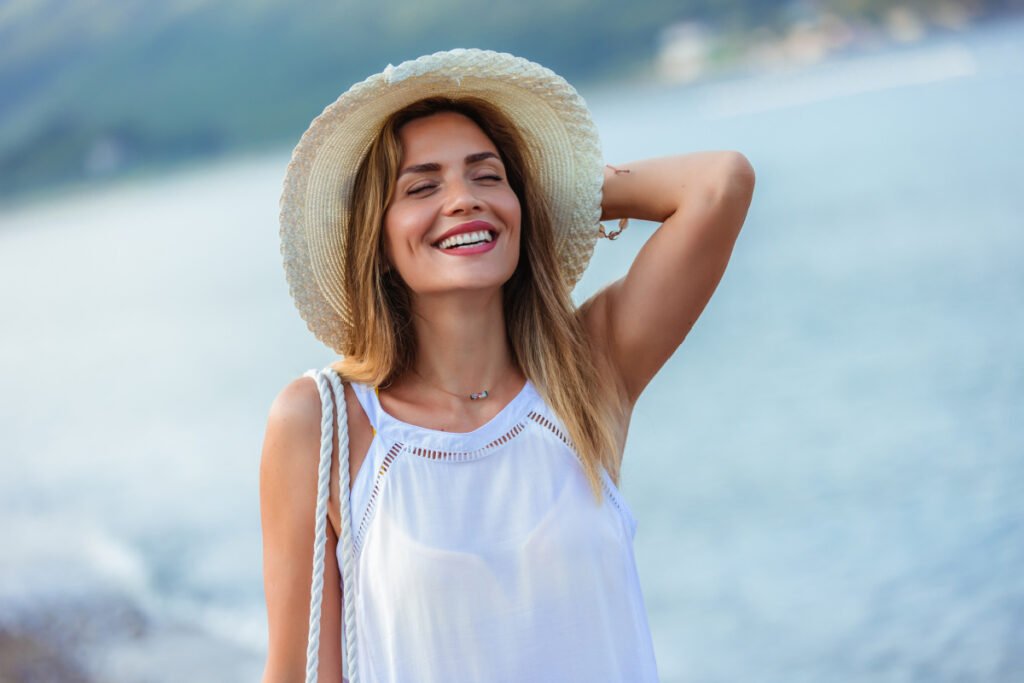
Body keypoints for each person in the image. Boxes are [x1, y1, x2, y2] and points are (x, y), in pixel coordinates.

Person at [260, 49, 754, 682]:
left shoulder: (585, 376)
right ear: (377, 243)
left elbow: (720, 183)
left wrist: (551, 193)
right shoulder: (324, 422)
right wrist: (495, 196)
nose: (463, 199)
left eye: (487, 176)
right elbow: (298, 675)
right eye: (422, 186)